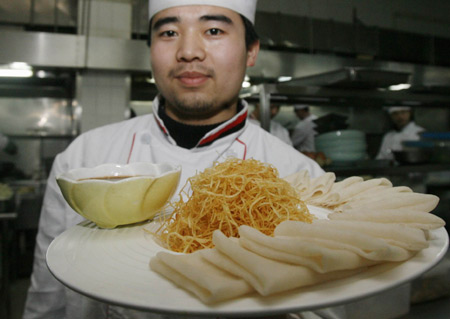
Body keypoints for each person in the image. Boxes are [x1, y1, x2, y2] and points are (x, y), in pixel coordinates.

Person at [23, 1, 324, 318]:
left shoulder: (301, 177)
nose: (189, 51)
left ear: (251, 51)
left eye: (213, 30)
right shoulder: (83, 158)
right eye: (169, 32)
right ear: (150, 48)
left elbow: (325, 304)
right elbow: (47, 296)